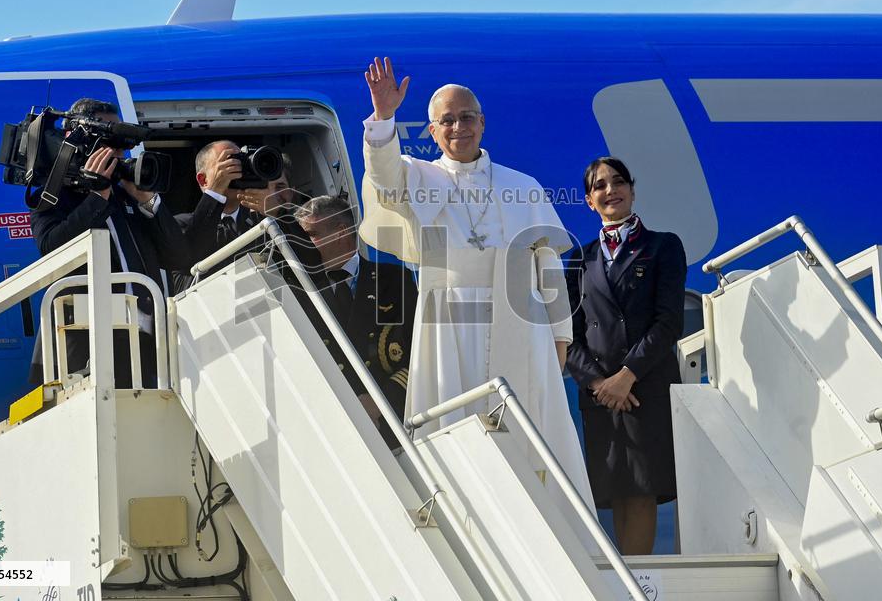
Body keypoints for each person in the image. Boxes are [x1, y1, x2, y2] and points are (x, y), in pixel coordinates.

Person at [357, 56, 596, 520]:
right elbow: (383, 177)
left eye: (466, 117)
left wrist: (561, 336)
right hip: (450, 326)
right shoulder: (418, 178)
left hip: (521, 325)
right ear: (431, 131)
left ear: (482, 122)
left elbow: (548, 264)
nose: (457, 126)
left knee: (534, 434)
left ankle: (547, 528)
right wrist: (383, 117)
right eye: (446, 120)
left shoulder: (522, 186)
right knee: (455, 425)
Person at [565, 156, 686, 555]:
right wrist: (600, 383)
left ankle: (639, 582)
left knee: (641, 490)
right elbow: (568, 335)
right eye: (600, 185)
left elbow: (668, 322)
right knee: (617, 492)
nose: (610, 190)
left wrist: (626, 376)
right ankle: (630, 582)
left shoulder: (663, 246)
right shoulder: (578, 260)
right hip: (601, 397)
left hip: (643, 389)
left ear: (632, 191)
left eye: (618, 182)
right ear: (589, 200)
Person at [30, 98, 191, 388]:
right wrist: (97, 197)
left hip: (149, 346)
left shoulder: (129, 193)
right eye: (110, 142)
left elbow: (178, 257)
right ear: (77, 139)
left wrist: (148, 201)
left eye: (122, 145)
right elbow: (52, 248)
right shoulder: (55, 193)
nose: (118, 152)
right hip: (87, 348)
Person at [295, 195, 417, 449]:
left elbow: (417, 349)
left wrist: (378, 403)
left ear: (340, 232)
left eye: (311, 234)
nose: (303, 244)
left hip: (397, 416)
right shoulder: (302, 296)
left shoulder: (394, 279)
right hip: (337, 426)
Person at [172, 140, 320, 292]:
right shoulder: (181, 225)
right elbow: (186, 268)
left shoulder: (264, 221)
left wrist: (276, 216)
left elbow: (311, 264)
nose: (239, 171)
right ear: (203, 180)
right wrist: (215, 194)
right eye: (229, 165)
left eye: (242, 163)